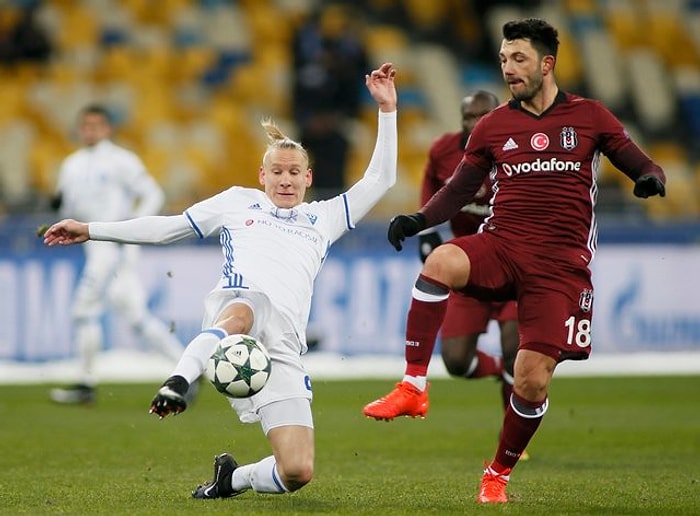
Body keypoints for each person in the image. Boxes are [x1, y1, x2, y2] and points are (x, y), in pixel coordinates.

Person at [43, 62, 398, 499]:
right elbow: (168, 227)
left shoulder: (324, 217)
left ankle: (234, 478)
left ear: (308, 178)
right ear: (262, 175)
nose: (285, 180)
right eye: (277, 171)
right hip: (236, 313)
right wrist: (93, 228)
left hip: (283, 347)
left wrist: (387, 111)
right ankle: (179, 379)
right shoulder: (236, 203)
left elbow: (381, 179)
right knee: (246, 309)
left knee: (297, 472)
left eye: (294, 173)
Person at [364, 18, 666, 504]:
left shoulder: (589, 116)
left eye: (519, 58)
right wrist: (417, 220)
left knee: (531, 377)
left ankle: (498, 473)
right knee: (440, 262)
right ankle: (413, 385)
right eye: (504, 59)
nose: (508, 68)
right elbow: (458, 191)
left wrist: (650, 178)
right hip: (503, 244)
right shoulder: (493, 124)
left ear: (547, 63)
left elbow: (638, 160)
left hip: (560, 267)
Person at [363, 91, 524, 457]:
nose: (475, 122)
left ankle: (511, 436)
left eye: (484, 115)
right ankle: (501, 370)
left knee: (516, 346)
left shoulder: (519, 150)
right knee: (456, 361)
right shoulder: (444, 152)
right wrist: (425, 233)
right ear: (461, 118)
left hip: (514, 265)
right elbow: (433, 198)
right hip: (470, 265)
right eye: (469, 116)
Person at [48, 104, 185, 405]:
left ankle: (86, 383)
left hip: (113, 246)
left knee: (83, 310)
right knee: (135, 316)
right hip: (92, 246)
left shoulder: (121, 160)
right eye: (85, 125)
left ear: (108, 128)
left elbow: (153, 194)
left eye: (96, 125)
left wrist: (132, 228)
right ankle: (186, 368)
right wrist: (57, 207)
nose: (90, 130)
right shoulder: (71, 165)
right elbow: (66, 207)